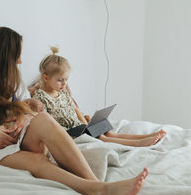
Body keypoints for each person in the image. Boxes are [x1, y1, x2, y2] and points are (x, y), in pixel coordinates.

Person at [0, 27, 148, 195]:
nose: (20, 61)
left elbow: (26, 106)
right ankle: (99, 190)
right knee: (38, 161)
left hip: (14, 136)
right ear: (2, 58)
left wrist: (25, 115)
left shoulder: (14, 79)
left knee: (44, 119)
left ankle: (94, 182)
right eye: (16, 56)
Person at [32, 47, 166, 146]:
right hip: (67, 133)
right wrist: (84, 128)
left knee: (107, 130)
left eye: (66, 79)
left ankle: (146, 136)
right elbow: (46, 124)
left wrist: (86, 124)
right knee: (103, 138)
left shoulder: (63, 92)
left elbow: (76, 110)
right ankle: (139, 143)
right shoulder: (40, 97)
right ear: (46, 78)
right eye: (60, 80)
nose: (64, 83)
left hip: (79, 126)